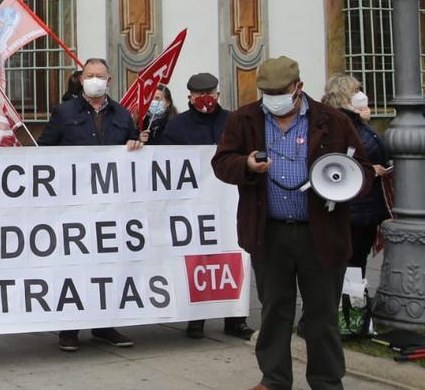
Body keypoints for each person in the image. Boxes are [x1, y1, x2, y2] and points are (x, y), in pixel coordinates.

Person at [212, 56, 373, 390]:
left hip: (321, 234)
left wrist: (339, 182)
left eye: (280, 91)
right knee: (274, 311)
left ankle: (327, 381)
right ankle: (274, 379)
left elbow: (364, 172)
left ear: (298, 87)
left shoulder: (332, 121)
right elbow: (222, 163)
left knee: (322, 316)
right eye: (266, 92)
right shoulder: (245, 119)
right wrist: (245, 165)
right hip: (269, 233)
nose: (273, 98)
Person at [37, 57, 143, 351]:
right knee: (72, 266)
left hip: (111, 207)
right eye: (89, 75)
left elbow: (133, 146)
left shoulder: (122, 114)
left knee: (107, 266)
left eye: (100, 75)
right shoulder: (64, 111)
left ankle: (104, 325)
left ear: (109, 81)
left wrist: (135, 145)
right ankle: (68, 329)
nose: (95, 79)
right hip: (73, 204)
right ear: (81, 79)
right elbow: (44, 150)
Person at [157, 72, 255, 340]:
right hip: (193, 204)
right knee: (196, 258)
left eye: (210, 94)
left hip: (231, 200)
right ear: (190, 97)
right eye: (200, 95)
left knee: (235, 254)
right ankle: (195, 318)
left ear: (218, 95)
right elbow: (166, 162)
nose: (206, 100)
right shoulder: (177, 126)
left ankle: (236, 318)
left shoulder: (233, 120)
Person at [320, 75, 390, 288]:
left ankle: (353, 306)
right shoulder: (342, 125)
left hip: (364, 207)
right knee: (352, 262)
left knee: (355, 262)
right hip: (356, 208)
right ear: (343, 98)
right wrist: (369, 170)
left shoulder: (353, 123)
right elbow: (340, 162)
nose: (362, 94)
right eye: (356, 90)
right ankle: (350, 308)